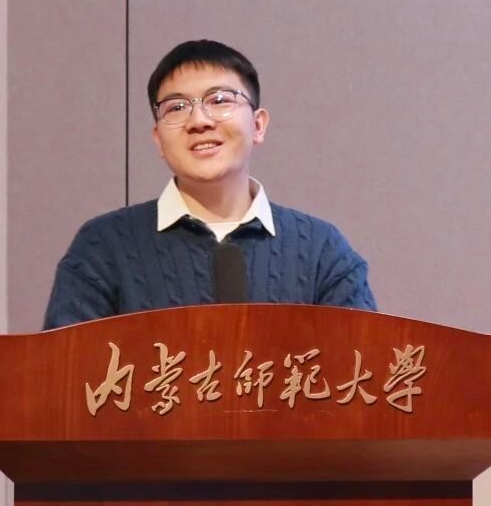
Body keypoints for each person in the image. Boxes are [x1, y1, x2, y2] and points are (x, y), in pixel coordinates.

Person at [42, 40, 377, 329]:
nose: (199, 121)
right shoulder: (103, 247)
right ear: (158, 140)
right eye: (177, 107)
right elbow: (65, 373)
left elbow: (366, 369)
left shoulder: (321, 250)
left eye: (219, 100)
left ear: (258, 125)